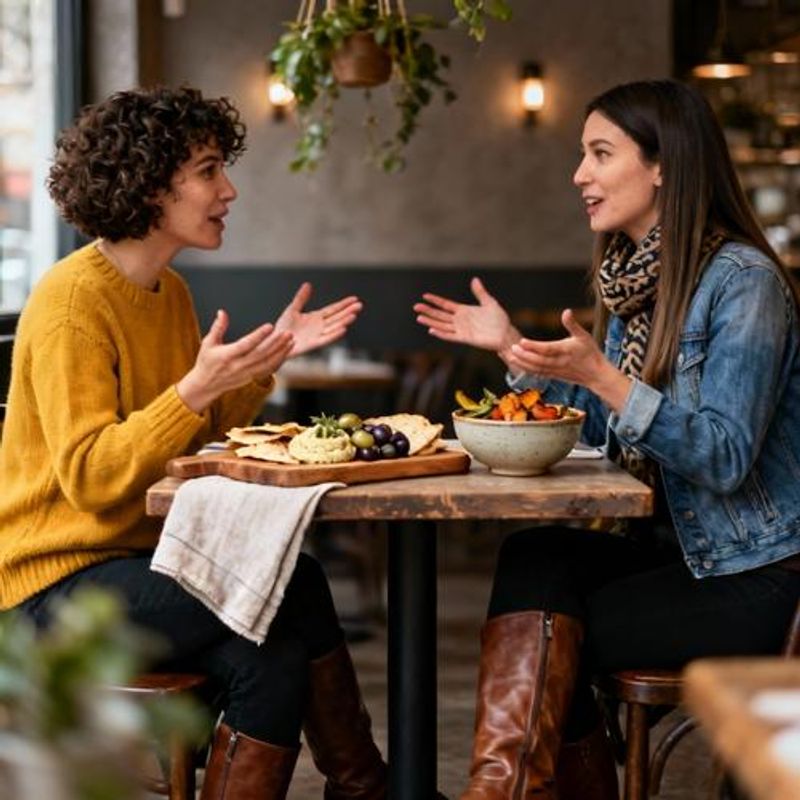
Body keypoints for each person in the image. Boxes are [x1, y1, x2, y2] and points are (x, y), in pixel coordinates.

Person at [414, 79, 800, 799]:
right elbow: (594, 431)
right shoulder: (635, 283)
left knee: (554, 635)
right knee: (536, 559)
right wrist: (515, 353)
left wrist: (606, 378)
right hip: (673, 552)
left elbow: (723, 455)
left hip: (755, 575)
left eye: (599, 153)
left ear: (664, 166)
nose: (578, 175)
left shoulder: (745, 283)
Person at [0, 86, 387, 800]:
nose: (228, 189)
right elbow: (91, 477)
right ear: (150, 184)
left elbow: (195, 439)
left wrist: (263, 362)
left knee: (269, 660)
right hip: (49, 590)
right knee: (294, 578)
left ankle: (363, 787)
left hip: (142, 567)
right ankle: (368, 787)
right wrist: (192, 391)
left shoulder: (169, 293)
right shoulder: (70, 304)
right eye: (209, 170)